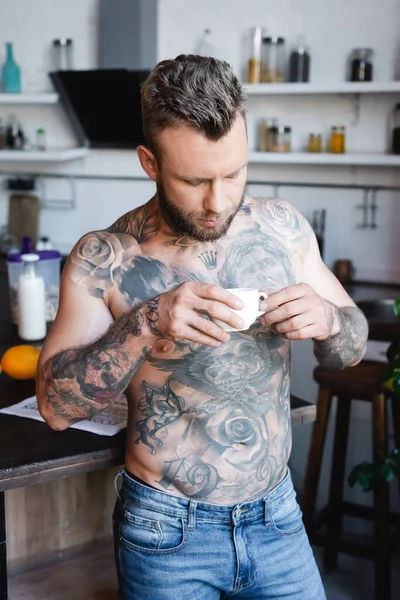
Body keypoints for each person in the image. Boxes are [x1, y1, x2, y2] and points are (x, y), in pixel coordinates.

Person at [36, 54, 368, 599]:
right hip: (167, 532)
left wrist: (330, 319)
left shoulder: (283, 229)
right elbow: (54, 405)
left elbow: (349, 348)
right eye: (195, 181)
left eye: (233, 174)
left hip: (278, 517)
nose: (218, 202)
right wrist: (146, 322)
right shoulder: (106, 258)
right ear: (150, 162)